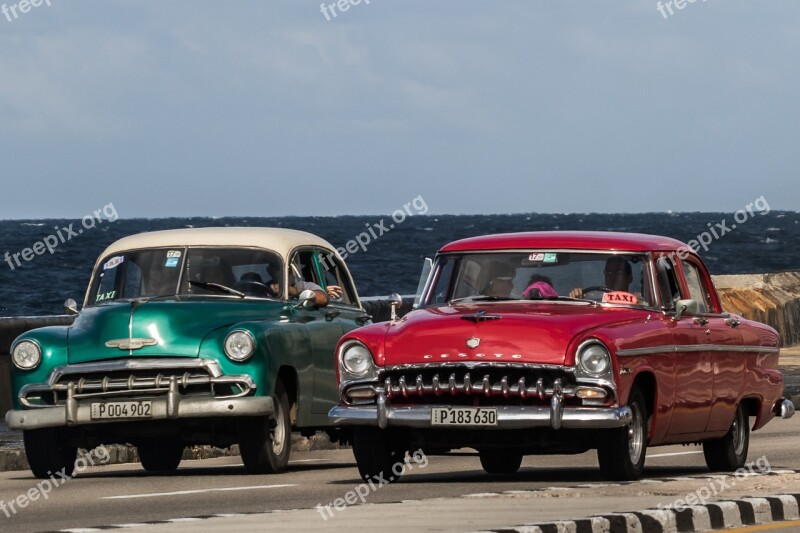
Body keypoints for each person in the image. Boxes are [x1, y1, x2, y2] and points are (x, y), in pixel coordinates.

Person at [266, 263, 330, 306]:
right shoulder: (264, 288)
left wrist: (291, 290)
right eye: (278, 268)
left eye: (289, 269)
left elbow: (323, 299)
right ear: (269, 270)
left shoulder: (306, 286)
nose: (287, 272)